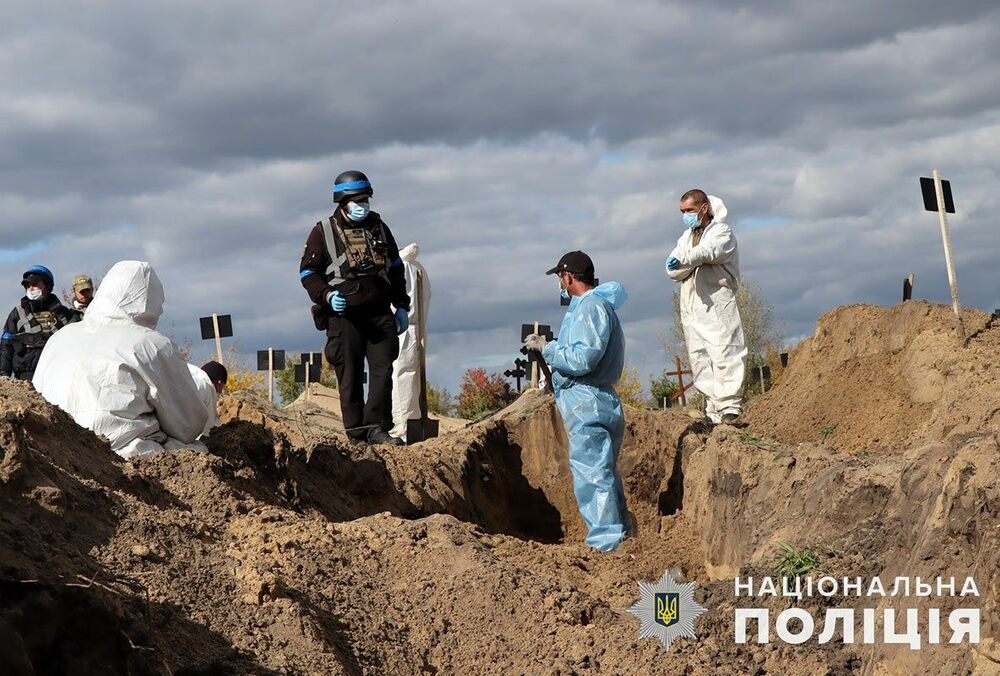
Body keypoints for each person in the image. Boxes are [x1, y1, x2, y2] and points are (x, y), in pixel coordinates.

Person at [33, 260, 209, 458]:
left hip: (51, 454)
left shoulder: (59, 337)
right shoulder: (151, 345)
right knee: (193, 453)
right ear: (151, 302)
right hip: (122, 459)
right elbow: (188, 425)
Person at [523, 251, 630, 552]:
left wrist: (550, 349)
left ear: (569, 276)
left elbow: (584, 358)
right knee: (604, 472)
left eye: (560, 277)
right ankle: (621, 536)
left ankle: (606, 544)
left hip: (587, 403)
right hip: (597, 400)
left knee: (594, 474)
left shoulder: (590, 307)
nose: (560, 283)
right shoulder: (593, 306)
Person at [299, 170, 411, 446]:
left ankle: (377, 428)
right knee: (348, 373)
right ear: (343, 201)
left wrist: (401, 306)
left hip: (379, 312)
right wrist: (325, 296)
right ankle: (356, 433)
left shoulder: (380, 228)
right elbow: (307, 273)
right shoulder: (322, 232)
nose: (363, 205)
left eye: (366, 199)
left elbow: (396, 269)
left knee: (383, 370)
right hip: (344, 315)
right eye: (358, 200)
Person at [665, 189, 747, 424]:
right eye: (682, 211)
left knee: (725, 351)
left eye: (689, 210)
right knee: (700, 357)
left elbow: (710, 252)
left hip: (716, 303)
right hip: (692, 306)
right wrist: (686, 261)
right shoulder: (686, 237)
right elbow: (672, 269)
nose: (685, 215)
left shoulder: (721, 231)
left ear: (704, 208)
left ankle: (730, 406)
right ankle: (713, 410)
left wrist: (687, 260)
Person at [1, 265, 75, 381]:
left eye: (35, 284)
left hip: (57, 374)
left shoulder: (63, 314)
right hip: (26, 376)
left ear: (47, 286)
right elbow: (6, 345)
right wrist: (4, 374)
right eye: (28, 285)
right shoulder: (17, 313)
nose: (31, 288)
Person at [390, 243, 431, 441]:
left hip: (404, 326)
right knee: (411, 375)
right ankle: (412, 419)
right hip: (418, 326)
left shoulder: (404, 269)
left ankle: (403, 424)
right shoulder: (418, 268)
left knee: (402, 373)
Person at [188, 360, 227, 438]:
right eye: (223, 386)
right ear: (219, 382)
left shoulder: (189, 371)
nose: (220, 391)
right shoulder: (207, 386)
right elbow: (208, 426)